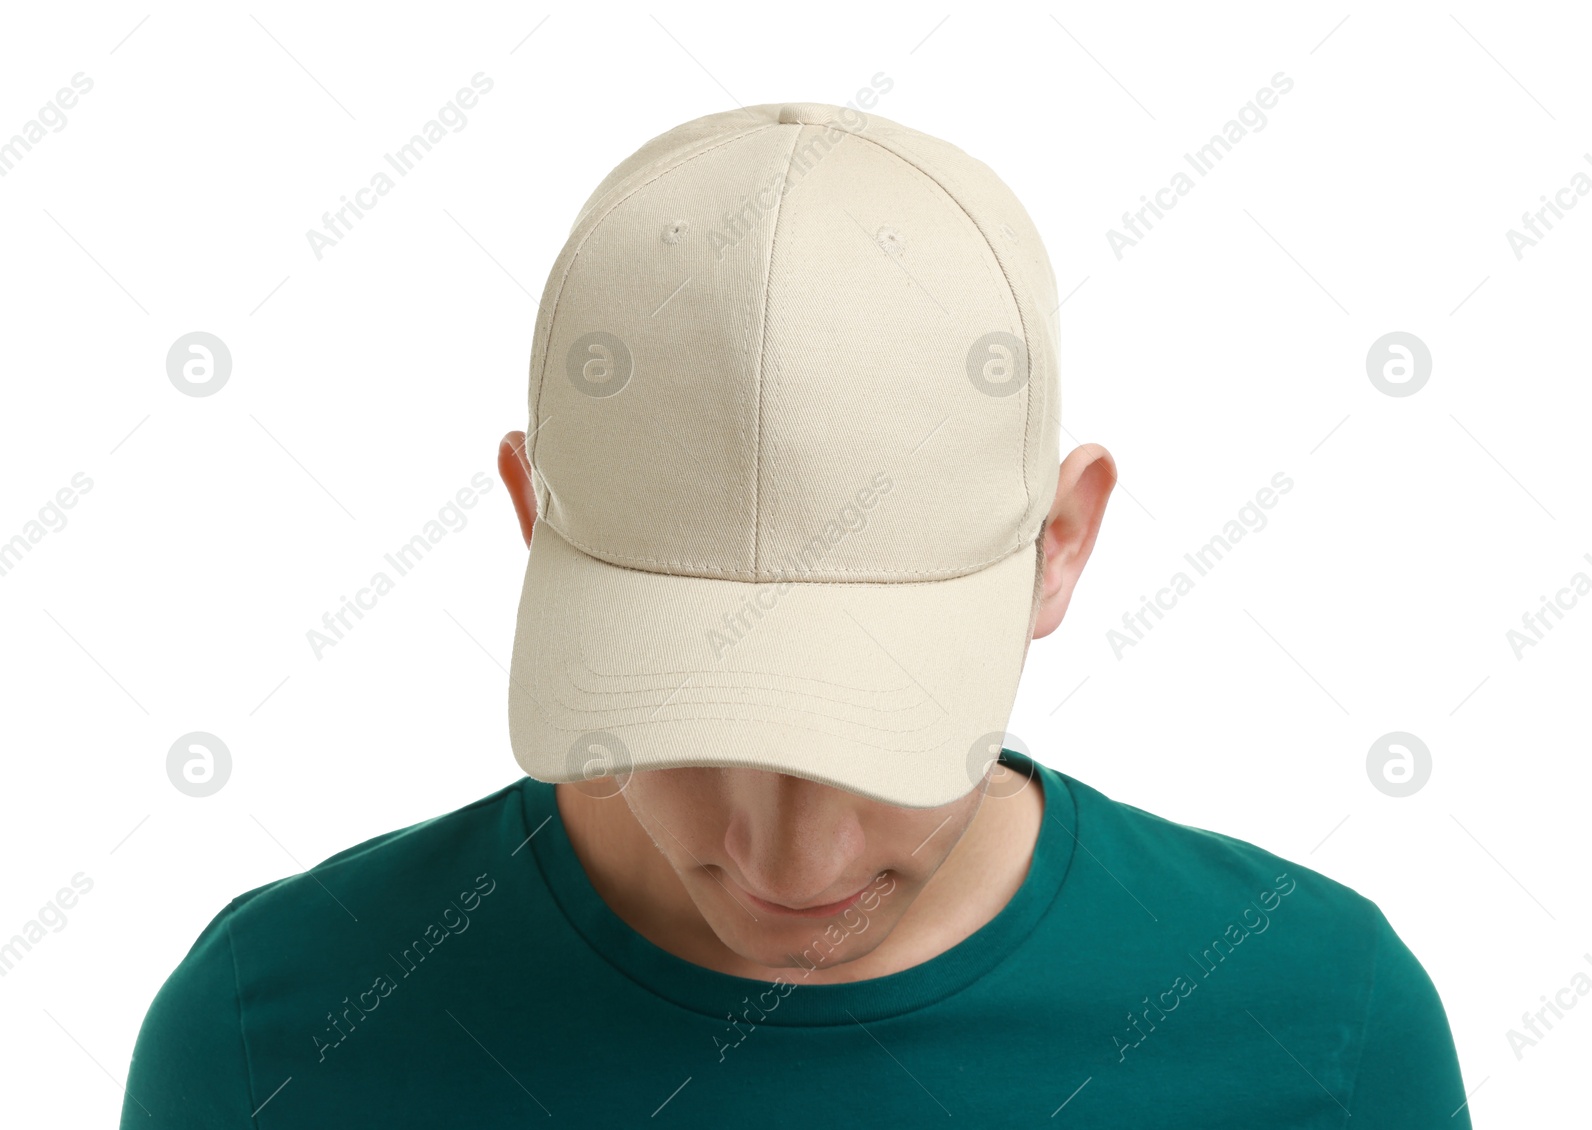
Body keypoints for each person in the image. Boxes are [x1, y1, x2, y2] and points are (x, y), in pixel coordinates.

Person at [122, 102, 1472, 1127]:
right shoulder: (271, 1033)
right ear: (537, 521)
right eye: (692, 712)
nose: (790, 851)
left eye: (878, 724)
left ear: (1060, 548)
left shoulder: (1319, 1027)